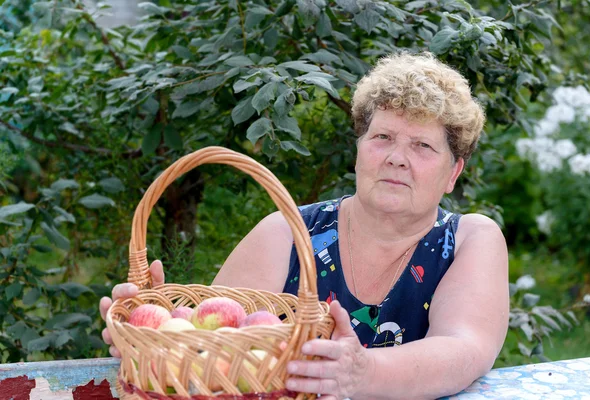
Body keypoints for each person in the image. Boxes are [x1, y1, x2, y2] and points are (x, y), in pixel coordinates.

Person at [100, 51, 509, 399]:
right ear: (359, 150)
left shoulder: (468, 239)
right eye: (382, 137)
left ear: (454, 171)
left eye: (421, 145)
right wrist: (153, 333)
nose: (396, 158)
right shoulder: (285, 233)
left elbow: (465, 347)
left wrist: (362, 372)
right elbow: (213, 349)